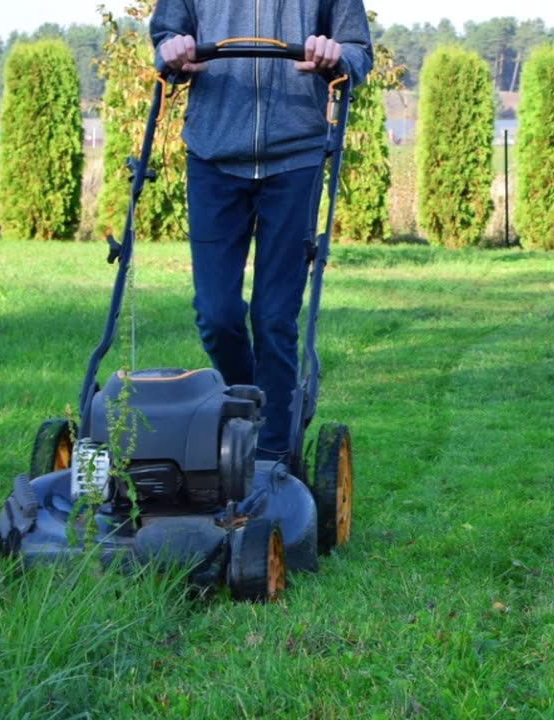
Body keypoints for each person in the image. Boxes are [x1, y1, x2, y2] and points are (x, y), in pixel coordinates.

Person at [150, 1, 373, 463]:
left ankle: (274, 454)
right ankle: (258, 405)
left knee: (275, 318)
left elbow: (358, 53)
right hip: (213, 154)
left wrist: (335, 54)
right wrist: (171, 52)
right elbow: (164, 41)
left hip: (296, 157)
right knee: (216, 314)